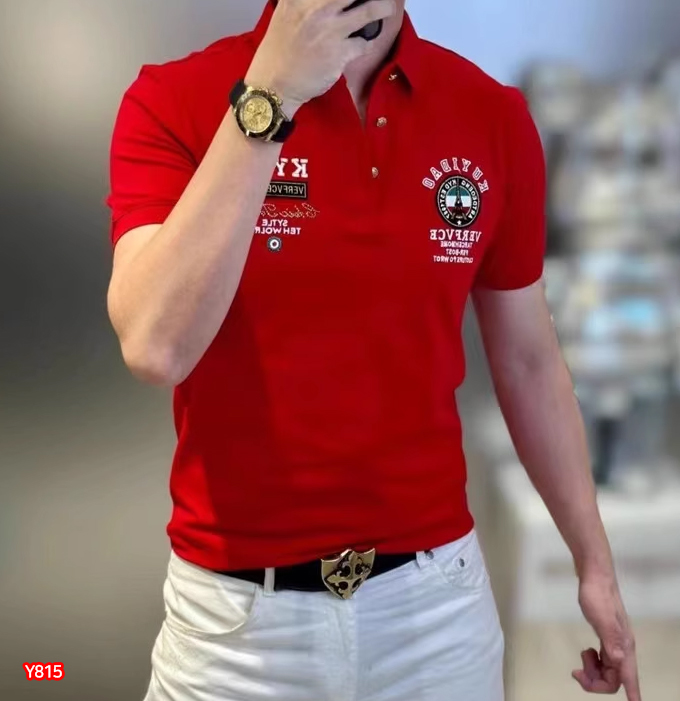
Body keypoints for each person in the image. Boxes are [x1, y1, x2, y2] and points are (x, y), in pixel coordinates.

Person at [105, 1, 642, 699]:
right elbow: (155, 345)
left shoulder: (489, 113)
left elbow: (529, 363)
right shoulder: (173, 99)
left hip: (435, 614)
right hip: (237, 629)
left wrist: (594, 564)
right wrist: (271, 96)